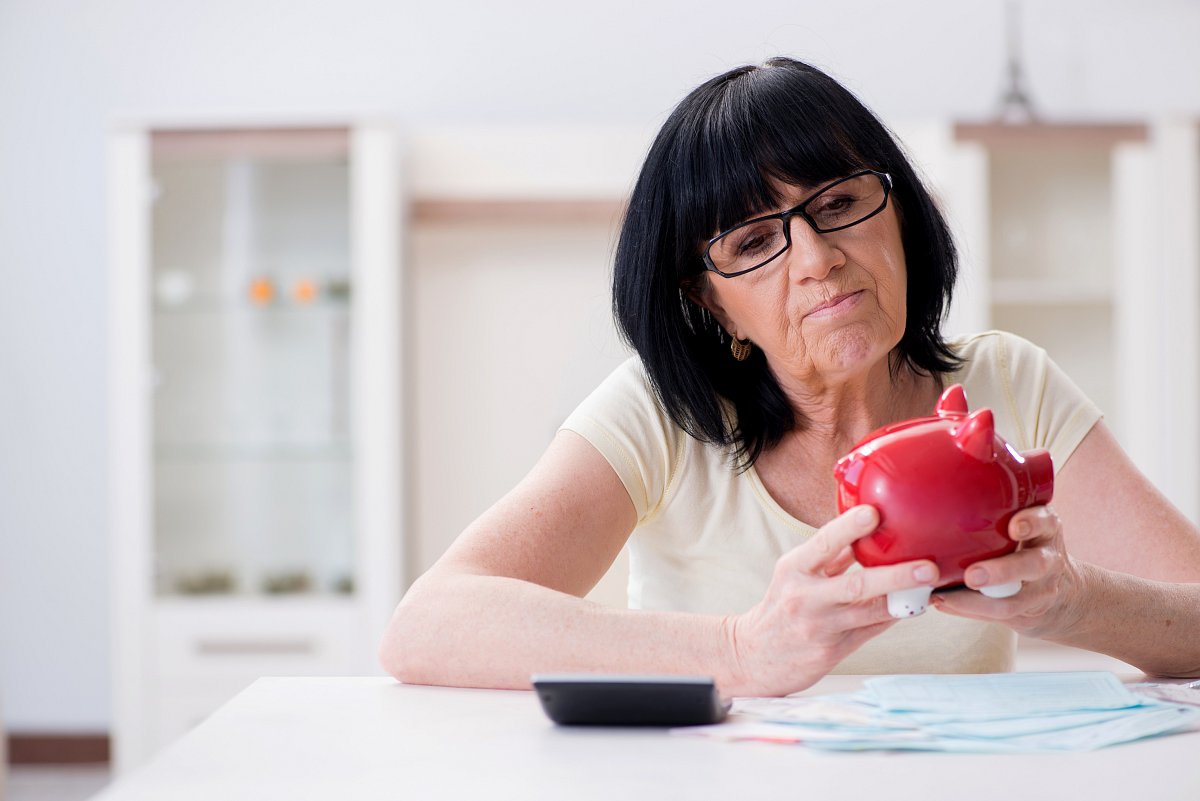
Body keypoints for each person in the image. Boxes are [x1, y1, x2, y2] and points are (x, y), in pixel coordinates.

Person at [380, 57, 1200, 697]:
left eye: (839, 203)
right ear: (712, 304)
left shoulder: (1006, 383)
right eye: (752, 243)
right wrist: (743, 649)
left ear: (901, 214)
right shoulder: (665, 413)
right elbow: (429, 624)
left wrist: (1073, 601)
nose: (818, 259)